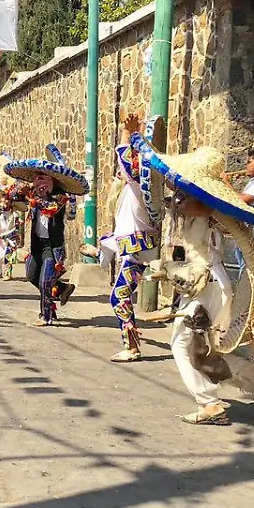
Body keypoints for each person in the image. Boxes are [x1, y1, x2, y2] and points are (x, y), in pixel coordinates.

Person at [131, 136, 254, 426]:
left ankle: (210, 405)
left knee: (181, 344)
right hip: (206, 284)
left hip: (207, 284)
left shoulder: (204, 206)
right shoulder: (192, 203)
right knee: (203, 350)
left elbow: (193, 209)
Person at [81, 114, 161, 361]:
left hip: (136, 255)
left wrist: (129, 132)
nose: (118, 174)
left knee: (119, 297)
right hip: (135, 252)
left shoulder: (138, 191)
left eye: (121, 172)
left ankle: (133, 347)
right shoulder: (133, 196)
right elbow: (120, 233)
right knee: (120, 296)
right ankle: (132, 342)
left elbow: (128, 164)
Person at [4, 147, 87, 326]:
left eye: (42, 177)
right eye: (36, 177)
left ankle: (47, 316)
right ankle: (63, 288)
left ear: (52, 181)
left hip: (52, 246)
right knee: (31, 275)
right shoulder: (32, 194)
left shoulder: (59, 197)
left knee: (44, 282)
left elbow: (47, 207)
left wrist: (29, 196)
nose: (38, 181)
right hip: (36, 245)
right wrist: (17, 190)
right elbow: (11, 197)